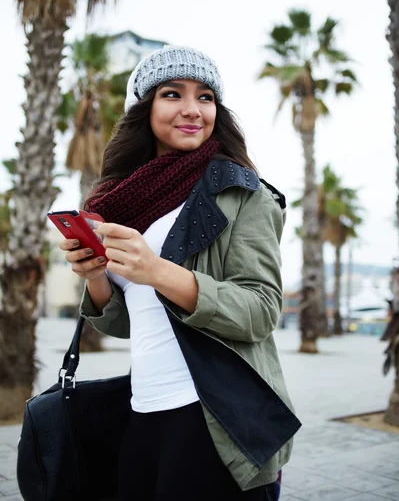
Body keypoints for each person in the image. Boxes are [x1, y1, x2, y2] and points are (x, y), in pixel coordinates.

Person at [60, 46, 301, 501]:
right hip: (143, 412)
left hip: (218, 420)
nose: (193, 109)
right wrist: (94, 276)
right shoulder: (119, 201)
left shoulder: (243, 193)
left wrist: (157, 271)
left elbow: (261, 310)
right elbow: (129, 323)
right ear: (144, 108)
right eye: (173, 94)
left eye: (206, 97)